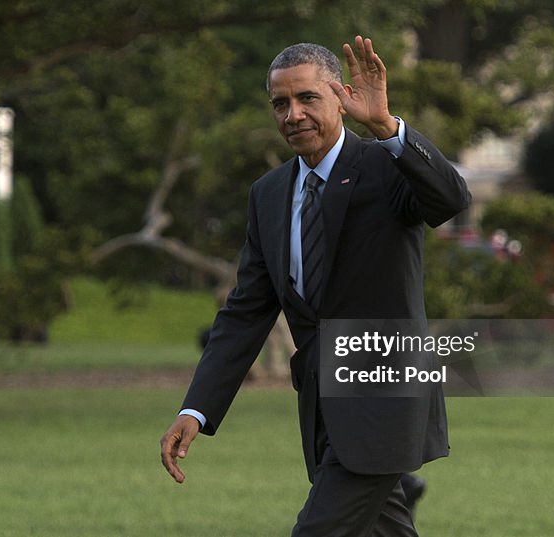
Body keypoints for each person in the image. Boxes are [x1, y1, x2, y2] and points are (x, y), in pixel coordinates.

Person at [160, 36, 470, 536]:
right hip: (325, 408)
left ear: (341, 97)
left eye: (308, 98)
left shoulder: (385, 166)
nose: (293, 114)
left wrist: (387, 127)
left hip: (385, 401)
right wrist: (196, 409)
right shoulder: (269, 194)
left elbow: (451, 198)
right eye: (280, 103)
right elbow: (245, 313)